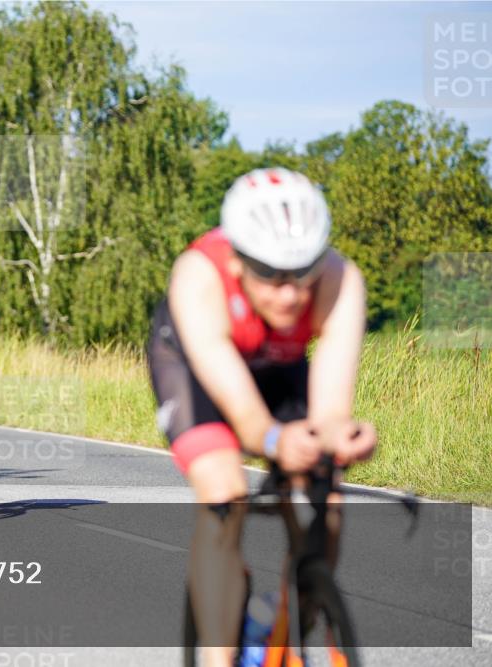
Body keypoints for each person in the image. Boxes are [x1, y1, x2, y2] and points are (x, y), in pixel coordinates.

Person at [147, 168, 377, 667]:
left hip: (280, 366)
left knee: (325, 496)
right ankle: (217, 655)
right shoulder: (198, 276)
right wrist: (273, 439)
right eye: (271, 275)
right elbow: (248, 421)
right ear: (237, 261)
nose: (291, 294)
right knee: (222, 492)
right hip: (197, 369)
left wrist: (344, 436)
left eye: (304, 272)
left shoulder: (341, 279)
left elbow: (332, 409)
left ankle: (294, 619)